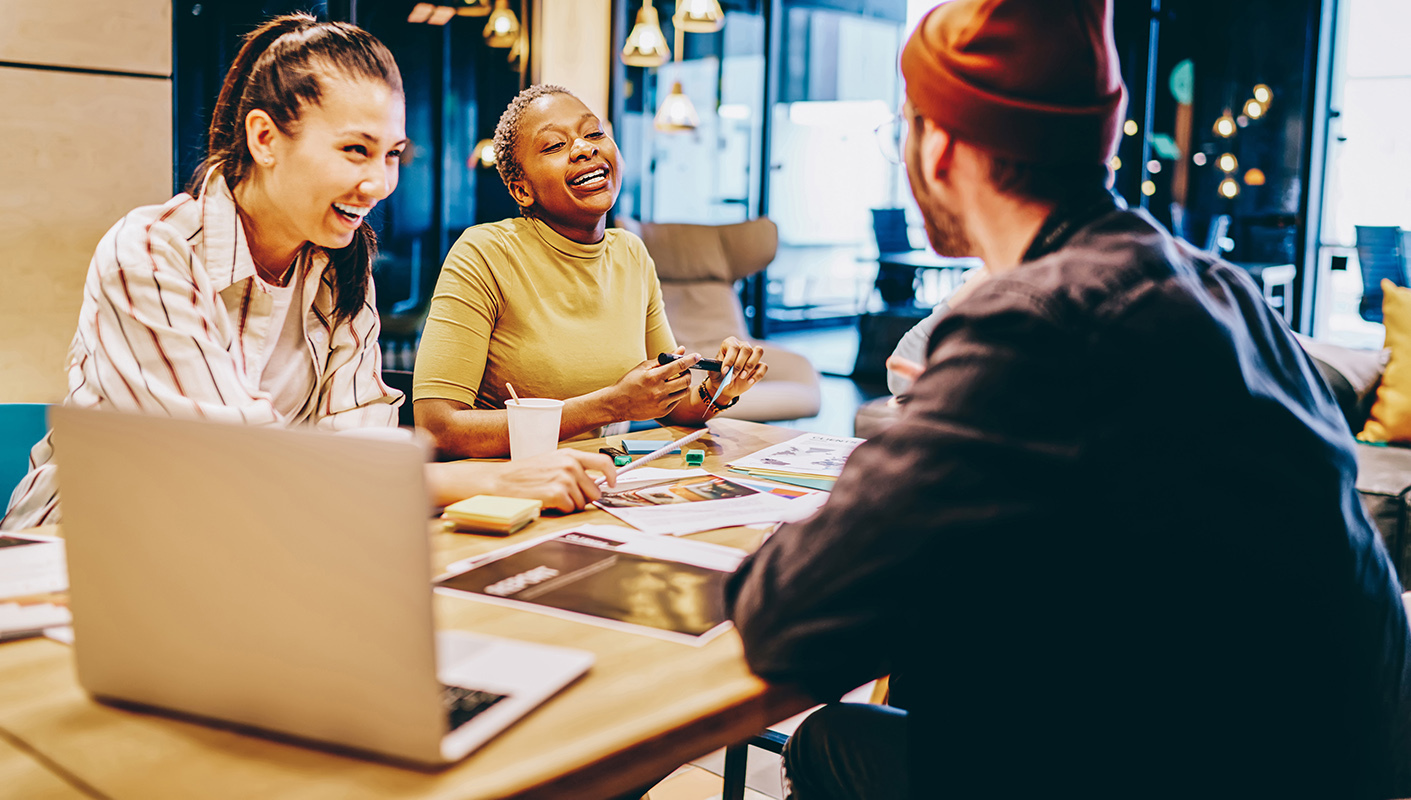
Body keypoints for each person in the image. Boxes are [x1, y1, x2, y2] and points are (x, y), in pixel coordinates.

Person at [724, 1, 1411, 798]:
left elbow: (786, 617)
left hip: (1198, 767)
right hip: (1326, 757)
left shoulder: (1033, 319)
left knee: (830, 737)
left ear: (938, 142)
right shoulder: (1215, 286)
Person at [2, 14, 612, 532]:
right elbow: (239, 466)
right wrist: (492, 477)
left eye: (391, 154)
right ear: (265, 138)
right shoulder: (150, 252)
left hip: (245, 554)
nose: (379, 184)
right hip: (75, 564)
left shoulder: (339, 269)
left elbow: (360, 445)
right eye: (355, 150)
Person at [413, 85, 767, 459]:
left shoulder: (631, 252)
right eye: (554, 146)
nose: (585, 148)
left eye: (594, 132)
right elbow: (438, 428)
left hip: (604, 480)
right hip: (511, 487)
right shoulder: (486, 253)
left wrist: (721, 388)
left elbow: (674, 406)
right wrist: (612, 405)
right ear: (521, 190)